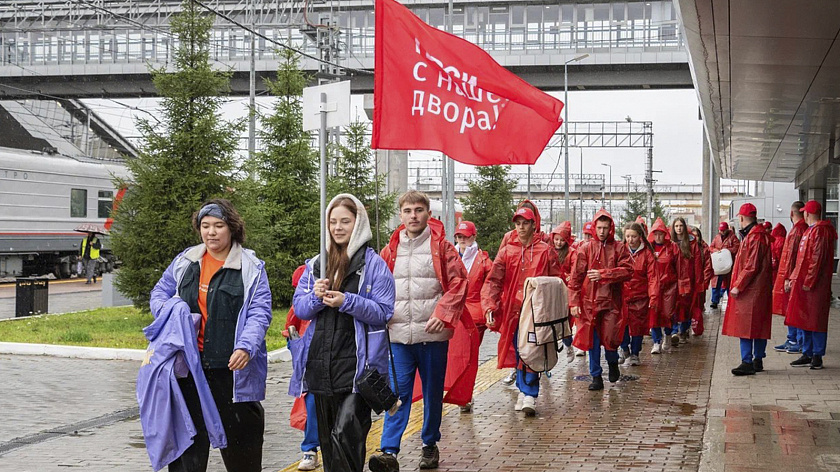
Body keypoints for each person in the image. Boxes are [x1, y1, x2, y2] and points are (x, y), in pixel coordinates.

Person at [149, 199, 272, 472]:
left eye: (218, 225)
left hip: (231, 372)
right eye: (205, 226)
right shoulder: (186, 262)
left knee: (243, 450)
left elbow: (259, 312)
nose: (211, 232)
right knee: (186, 451)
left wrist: (245, 347)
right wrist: (171, 308)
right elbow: (159, 294)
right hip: (188, 370)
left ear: (232, 229)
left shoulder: (250, 267)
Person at [291, 194, 396, 472]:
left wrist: (347, 301)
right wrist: (315, 297)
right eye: (333, 221)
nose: (338, 228)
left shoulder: (373, 265)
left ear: (358, 223)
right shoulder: (317, 264)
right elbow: (300, 308)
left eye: (345, 222)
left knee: (345, 440)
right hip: (320, 366)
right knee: (329, 444)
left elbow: (384, 311)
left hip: (357, 370)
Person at [370, 190, 471, 472]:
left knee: (432, 393)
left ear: (428, 214)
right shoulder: (389, 250)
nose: (413, 215)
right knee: (396, 394)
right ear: (400, 215)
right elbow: (377, 288)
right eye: (407, 211)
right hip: (399, 337)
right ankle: (389, 451)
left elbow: (459, 283)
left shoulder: (443, 248)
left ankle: (429, 444)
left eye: (418, 210)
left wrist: (444, 313)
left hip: (432, 338)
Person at [481, 207, 562, 413]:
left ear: (534, 225)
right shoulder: (507, 251)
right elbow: (493, 281)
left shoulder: (545, 250)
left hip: (537, 311)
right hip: (513, 310)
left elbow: (556, 280)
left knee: (534, 348)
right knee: (518, 348)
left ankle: (529, 393)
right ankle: (524, 389)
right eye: (518, 223)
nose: (521, 227)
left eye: (525, 223)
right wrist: (490, 305)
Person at [568, 210, 633, 391]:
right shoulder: (586, 248)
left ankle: (612, 363)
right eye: (599, 227)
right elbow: (575, 277)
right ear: (595, 228)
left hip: (612, 302)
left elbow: (628, 270)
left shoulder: (619, 248)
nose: (602, 231)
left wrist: (604, 274)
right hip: (589, 302)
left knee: (611, 338)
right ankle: (596, 375)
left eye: (605, 227)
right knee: (592, 341)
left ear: (610, 228)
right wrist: (573, 303)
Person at [721, 203, 773, 376]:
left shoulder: (754, 237)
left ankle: (747, 361)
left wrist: (738, 285)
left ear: (742, 218)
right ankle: (757, 359)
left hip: (750, 289)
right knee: (759, 324)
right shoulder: (758, 236)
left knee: (745, 325)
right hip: (758, 288)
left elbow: (751, 265)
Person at [786, 200, 837, 370]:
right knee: (805, 319)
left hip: (814, 285)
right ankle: (808, 353)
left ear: (807, 214)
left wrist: (808, 281)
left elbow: (816, 259)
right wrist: (795, 279)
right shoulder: (812, 231)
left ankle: (816, 355)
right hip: (806, 283)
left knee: (816, 320)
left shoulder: (820, 232)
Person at [454, 220, 493, 413]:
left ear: (473, 237)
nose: (462, 240)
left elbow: (492, 285)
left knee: (468, 356)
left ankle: (464, 395)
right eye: (459, 237)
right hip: (453, 314)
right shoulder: (449, 256)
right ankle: (454, 392)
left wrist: (490, 309)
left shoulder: (483, 260)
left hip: (475, 316)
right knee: (454, 355)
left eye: (466, 237)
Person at [284, 265, 320, 471]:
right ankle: (310, 449)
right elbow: (292, 321)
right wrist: (294, 345)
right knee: (311, 400)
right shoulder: (307, 272)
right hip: (308, 355)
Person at [648, 218, 691, 354]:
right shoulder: (649, 248)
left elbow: (680, 267)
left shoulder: (672, 248)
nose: (658, 237)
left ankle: (667, 336)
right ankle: (656, 341)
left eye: (660, 233)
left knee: (668, 314)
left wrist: (682, 286)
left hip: (669, 287)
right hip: (653, 287)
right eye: (656, 234)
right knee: (653, 314)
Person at [619, 222, 658, 366]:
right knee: (621, 325)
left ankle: (635, 353)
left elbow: (653, 277)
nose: (630, 239)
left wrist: (653, 297)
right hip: (623, 295)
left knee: (637, 327)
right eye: (628, 236)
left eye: (633, 236)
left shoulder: (648, 254)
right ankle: (624, 348)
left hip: (640, 297)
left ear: (640, 236)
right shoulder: (621, 251)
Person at [772, 202, 807, 353]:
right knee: (793, 308)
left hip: (793, 277)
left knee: (793, 308)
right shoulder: (802, 230)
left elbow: (792, 256)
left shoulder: (796, 231)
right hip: (797, 276)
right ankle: (793, 338)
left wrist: (788, 277)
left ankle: (796, 339)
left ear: (792, 214)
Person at [670, 217, 701, 345]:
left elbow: (697, 263)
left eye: (681, 226)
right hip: (674, 280)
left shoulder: (692, 243)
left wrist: (698, 281)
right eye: (676, 226)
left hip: (688, 279)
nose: (679, 228)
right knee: (674, 306)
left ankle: (683, 330)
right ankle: (674, 332)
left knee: (687, 307)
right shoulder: (671, 243)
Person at [709, 222, 740, 310]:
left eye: (723, 230)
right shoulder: (717, 237)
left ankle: (731, 301)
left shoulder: (732, 237)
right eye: (721, 230)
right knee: (716, 284)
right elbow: (711, 247)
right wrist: (716, 250)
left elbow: (737, 247)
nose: (722, 232)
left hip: (728, 265)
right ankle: (714, 301)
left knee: (729, 284)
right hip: (718, 264)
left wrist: (726, 251)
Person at [690, 227, 713, 337]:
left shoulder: (704, 248)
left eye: (697, 236)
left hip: (700, 284)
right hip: (689, 283)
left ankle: (696, 326)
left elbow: (708, 267)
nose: (695, 238)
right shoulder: (687, 248)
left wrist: (703, 282)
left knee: (698, 305)